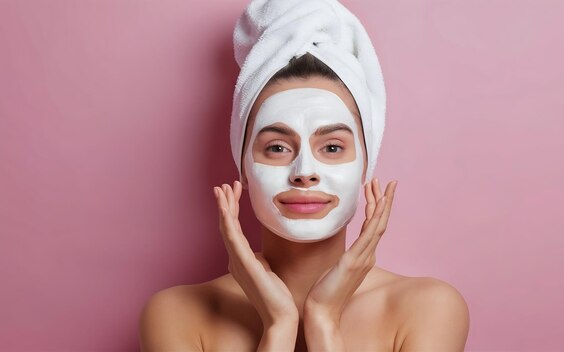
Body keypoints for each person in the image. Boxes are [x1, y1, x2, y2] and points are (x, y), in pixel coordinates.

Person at [140, 1, 469, 350]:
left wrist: (323, 321)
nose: (305, 173)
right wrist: (279, 326)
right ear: (244, 167)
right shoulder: (177, 314)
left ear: (365, 165)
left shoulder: (427, 309)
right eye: (278, 148)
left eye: (331, 148)